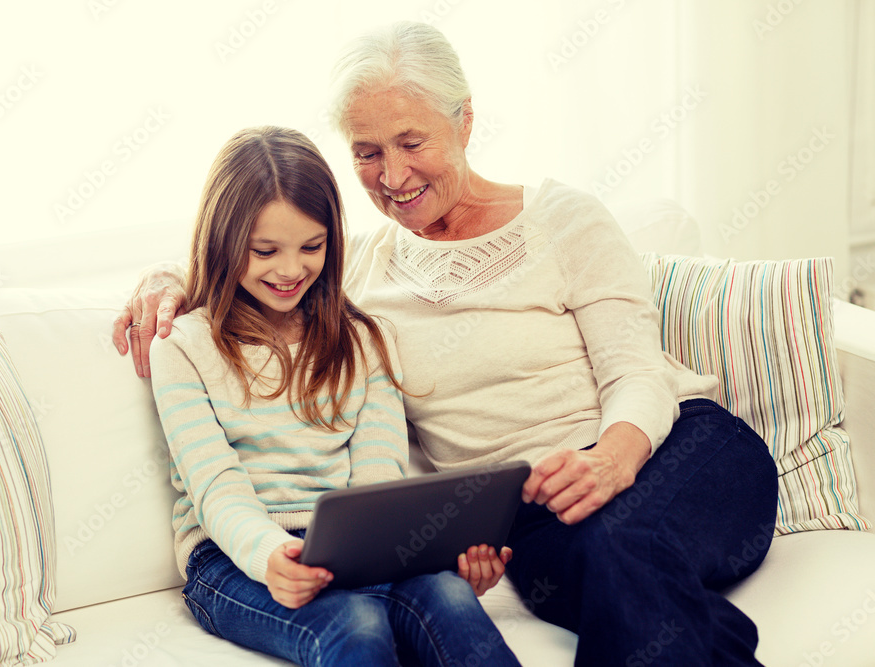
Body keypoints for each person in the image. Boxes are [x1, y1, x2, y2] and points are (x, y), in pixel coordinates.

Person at [117, 23, 779, 667]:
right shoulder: (357, 274)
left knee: (622, 545)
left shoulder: (563, 219)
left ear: (464, 122)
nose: (393, 173)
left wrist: (611, 458)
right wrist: (165, 281)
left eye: (411, 141)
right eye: (368, 151)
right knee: (633, 578)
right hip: (543, 516)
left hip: (675, 451)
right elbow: (260, 250)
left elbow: (636, 371)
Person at [146, 125, 521, 667]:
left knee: (448, 598)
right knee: (356, 623)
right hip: (229, 557)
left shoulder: (364, 340)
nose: (291, 269)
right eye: (265, 250)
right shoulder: (183, 346)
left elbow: (377, 480)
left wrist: (418, 559)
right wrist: (271, 554)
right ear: (224, 241)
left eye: (312, 246)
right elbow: (216, 489)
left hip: (347, 551)